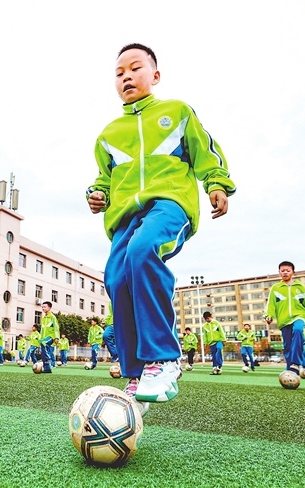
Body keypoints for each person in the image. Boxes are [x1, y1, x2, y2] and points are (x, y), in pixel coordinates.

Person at [86, 43, 236, 407]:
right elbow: (104, 178)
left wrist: (216, 183)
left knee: (142, 251)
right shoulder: (108, 134)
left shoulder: (177, 112)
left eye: (135, 68)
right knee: (116, 278)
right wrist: (96, 193)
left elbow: (205, 151)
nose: (126, 76)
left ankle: (165, 359)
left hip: (170, 205)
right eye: (119, 73)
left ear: (155, 75)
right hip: (125, 216)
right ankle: (137, 374)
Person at [264, 261, 305, 376]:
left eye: (288, 270)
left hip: (299, 316)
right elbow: (271, 304)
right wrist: (268, 315)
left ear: (293, 272)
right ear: (279, 272)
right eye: (282, 271)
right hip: (284, 320)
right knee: (287, 346)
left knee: (298, 330)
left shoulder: (300, 287)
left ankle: (296, 363)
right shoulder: (275, 288)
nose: (285, 273)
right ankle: (291, 371)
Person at [39, 301, 60, 373]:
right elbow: (42, 330)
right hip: (44, 338)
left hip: (51, 336)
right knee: (43, 352)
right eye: (42, 307)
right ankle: (47, 368)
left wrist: (57, 337)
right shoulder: (44, 318)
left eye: (45, 307)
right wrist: (40, 339)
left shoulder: (52, 317)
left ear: (49, 308)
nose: (43, 308)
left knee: (44, 343)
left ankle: (49, 362)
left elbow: (56, 327)